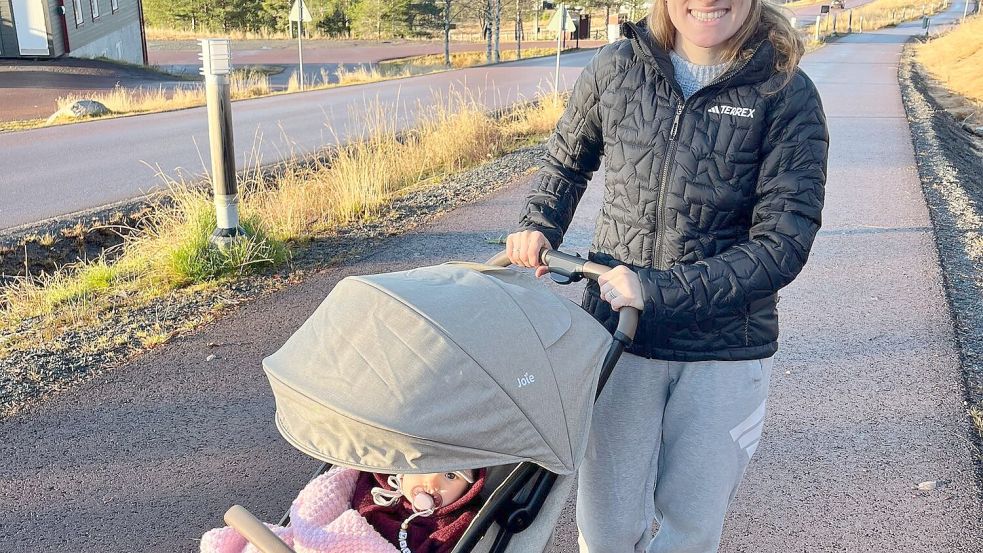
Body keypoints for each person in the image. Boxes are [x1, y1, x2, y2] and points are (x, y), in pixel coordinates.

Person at [507, 0, 829, 552]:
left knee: (689, 530)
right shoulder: (616, 67)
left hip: (725, 351)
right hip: (618, 343)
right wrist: (539, 224)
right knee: (605, 531)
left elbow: (782, 245)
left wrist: (655, 290)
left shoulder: (787, 93)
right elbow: (566, 160)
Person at [201, 468, 486, 553]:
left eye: (451, 476)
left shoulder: (453, 523)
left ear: (470, 488)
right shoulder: (372, 482)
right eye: (424, 467)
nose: (432, 482)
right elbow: (323, 504)